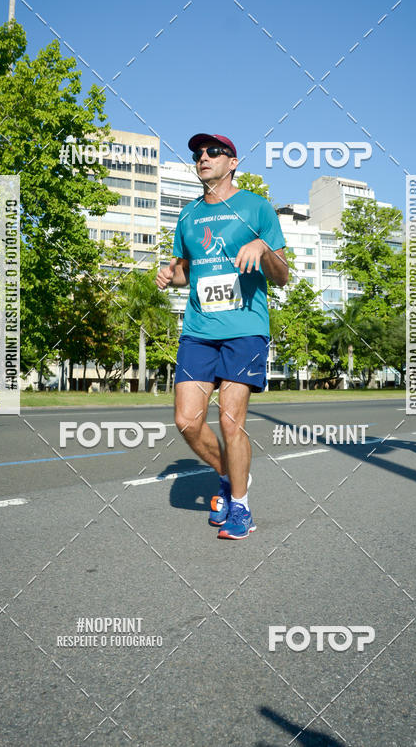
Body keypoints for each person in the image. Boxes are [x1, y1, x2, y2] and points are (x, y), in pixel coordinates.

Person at [156, 133, 288, 539]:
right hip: (198, 331)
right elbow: (186, 271)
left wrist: (262, 247)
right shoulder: (188, 215)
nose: (203, 157)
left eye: (213, 152)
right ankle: (231, 478)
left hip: (244, 330)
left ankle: (242, 510)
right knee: (186, 420)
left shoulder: (256, 207)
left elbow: (281, 274)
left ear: (232, 162)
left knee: (231, 420)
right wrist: (169, 274)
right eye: (198, 153)